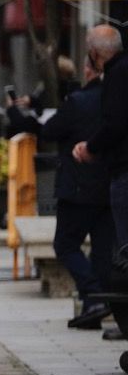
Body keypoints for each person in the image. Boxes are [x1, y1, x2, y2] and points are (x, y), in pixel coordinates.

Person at [9, 52, 115, 329]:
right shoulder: (112, 100)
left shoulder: (77, 102)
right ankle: (95, 305)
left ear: (91, 69)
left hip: (78, 187)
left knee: (65, 245)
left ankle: (93, 296)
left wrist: (13, 111)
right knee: (103, 250)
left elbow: (49, 130)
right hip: (108, 186)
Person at [74, 24, 126, 324]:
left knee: (123, 248)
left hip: (122, 171)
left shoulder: (117, 74)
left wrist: (90, 148)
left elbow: (116, 122)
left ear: (94, 54)